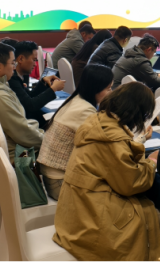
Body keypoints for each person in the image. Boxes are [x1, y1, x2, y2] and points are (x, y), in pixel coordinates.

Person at [53, 83, 160, 261]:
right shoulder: (111, 138)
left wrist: (139, 143)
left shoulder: (97, 122)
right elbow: (132, 183)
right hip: (94, 222)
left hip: (76, 214)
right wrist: (152, 162)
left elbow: (116, 161)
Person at [38, 64, 113, 200]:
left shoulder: (75, 99)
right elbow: (103, 146)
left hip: (52, 176)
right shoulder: (85, 110)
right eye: (108, 88)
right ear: (96, 88)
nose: (111, 92)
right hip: (60, 182)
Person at [8, 41, 65, 128]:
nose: (35, 64)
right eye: (34, 60)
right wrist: (53, 89)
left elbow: (30, 97)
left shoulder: (19, 76)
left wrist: (43, 82)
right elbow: (31, 106)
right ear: (21, 59)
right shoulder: (12, 78)